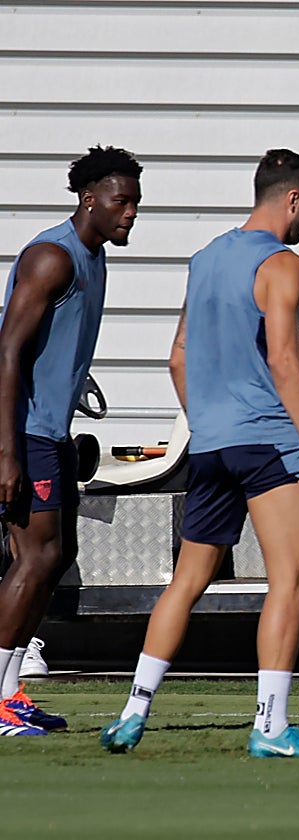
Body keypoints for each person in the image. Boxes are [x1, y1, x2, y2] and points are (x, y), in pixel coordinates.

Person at [100, 149, 299, 758]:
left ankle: (133, 711)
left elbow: (178, 356)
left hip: (210, 444)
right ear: (293, 198)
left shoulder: (206, 258)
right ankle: (270, 726)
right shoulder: (284, 264)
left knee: (187, 580)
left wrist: (207, 420)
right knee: (293, 577)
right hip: (269, 442)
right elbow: (286, 362)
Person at [0, 146, 142, 737]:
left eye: (135, 203)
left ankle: (10, 693)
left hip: (52, 432)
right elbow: (6, 353)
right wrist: (6, 453)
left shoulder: (95, 258)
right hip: (23, 434)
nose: (130, 214)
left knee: (57, 558)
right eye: (121, 202)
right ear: (90, 199)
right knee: (33, 559)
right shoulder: (51, 257)